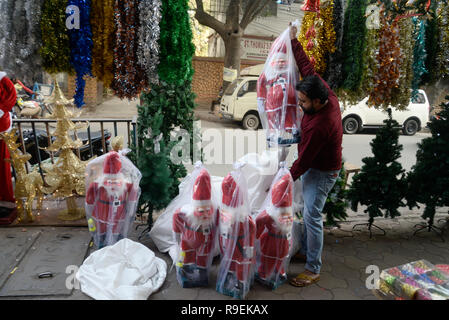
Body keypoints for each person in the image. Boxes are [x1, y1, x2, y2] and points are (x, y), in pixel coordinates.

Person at [287, 23, 343, 287]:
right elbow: (307, 68)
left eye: (304, 102)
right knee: (308, 211)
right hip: (314, 165)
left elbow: (305, 161)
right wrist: (294, 42)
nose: (301, 105)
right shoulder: (321, 90)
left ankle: (313, 267)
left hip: (323, 171)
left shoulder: (323, 124)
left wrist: (284, 179)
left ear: (318, 102)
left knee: (311, 214)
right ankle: (307, 251)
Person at [173, 168, 218, 288]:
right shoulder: (185, 212)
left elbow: (219, 223)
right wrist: (176, 234)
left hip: (205, 241)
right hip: (188, 241)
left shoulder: (215, 213)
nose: (205, 214)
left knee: (203, 258)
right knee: (186, 256)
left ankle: (202, 275)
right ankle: (186, 272)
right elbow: (176, 216)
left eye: (208, 211)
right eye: (201, 211)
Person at [85, 151, 140, 248]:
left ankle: (115, 245)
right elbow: (90, 197)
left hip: (116, 214)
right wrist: (131, 208)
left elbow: (133, 192)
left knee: (115, 230)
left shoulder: (99, 184)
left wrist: (131, 207)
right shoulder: (98, 184)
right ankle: (103, 245)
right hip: (103, 214)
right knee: (103, 230)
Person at [0, 71, 17, 225]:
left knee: (3, 164)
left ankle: (5, 197)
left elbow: (11, 98)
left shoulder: (3, 80)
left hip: (1, 127)